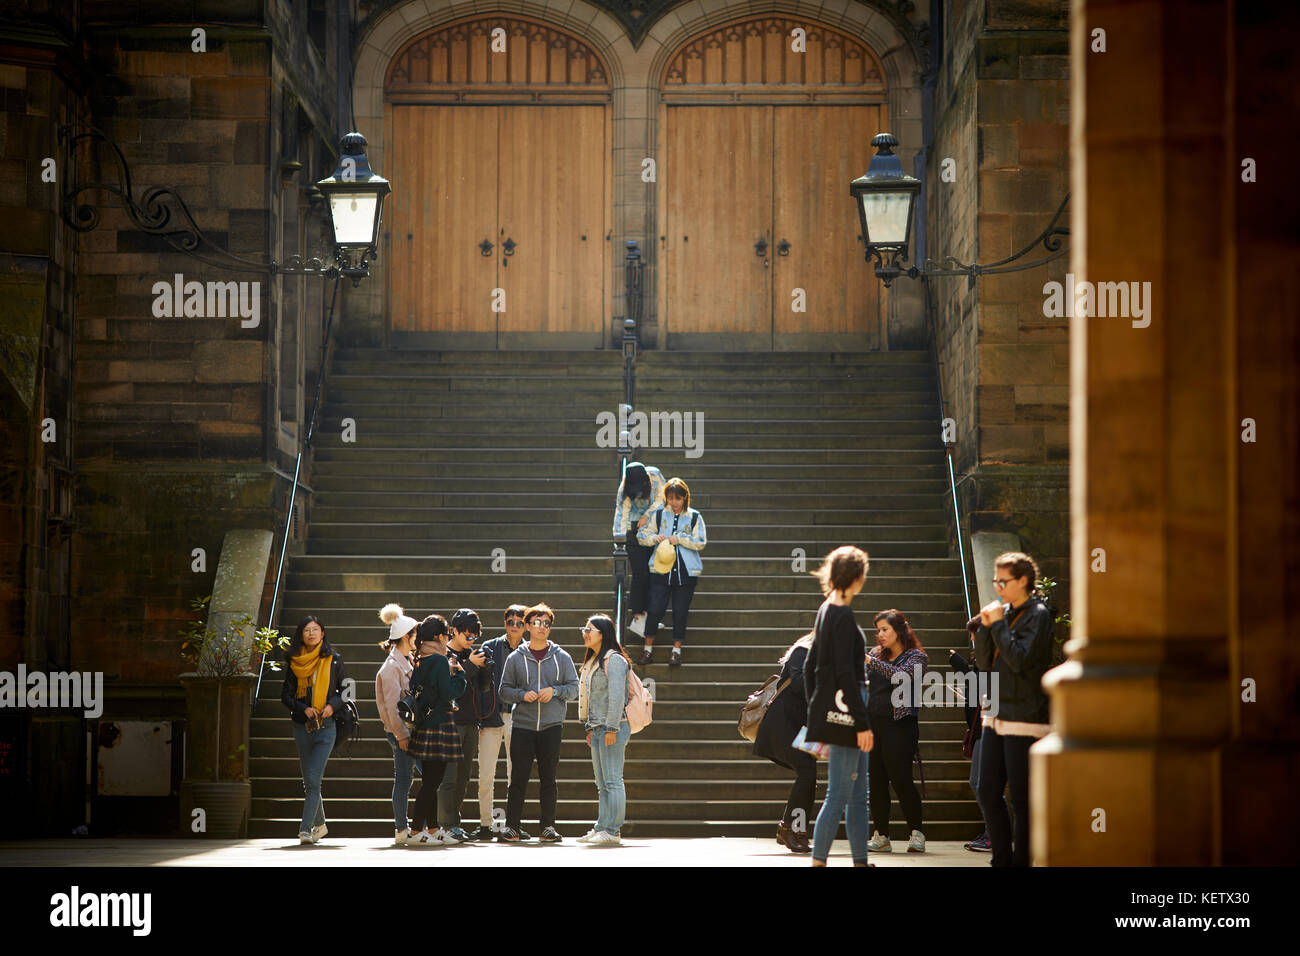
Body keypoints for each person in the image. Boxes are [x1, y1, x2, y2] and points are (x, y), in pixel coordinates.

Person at [974, 551, 1054, 867]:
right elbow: (983, 662)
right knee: (986, 789)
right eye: (996, 581)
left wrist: (997, 628)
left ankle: (1022, 861)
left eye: (1003, 582)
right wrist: (984, 627)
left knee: (1021, 799)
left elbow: (1019, 659)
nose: (998, 588)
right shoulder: (1002, 612)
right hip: (996, 712)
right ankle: (1002, 858)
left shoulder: (1039, 615)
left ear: (1023, 581)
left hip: (1024, 716)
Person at [803, 546, 874, 867]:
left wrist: (816, 709)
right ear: (857, 576)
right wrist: (862, 723)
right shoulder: (843, 614)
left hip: (837, 708)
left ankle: (860, 860)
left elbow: (809, 667)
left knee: (857, 794)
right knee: (840, 793)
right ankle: (819, 861)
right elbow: (846, 672)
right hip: (849, 709)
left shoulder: (826, 608)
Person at [497, 603, 579, 843]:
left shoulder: (562, 657)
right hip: (523, 725)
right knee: (518, 778)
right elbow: (504, 690)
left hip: (552, 725)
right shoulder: (515, 657)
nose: (542, 628)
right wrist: (523, 695)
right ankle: (512, 827)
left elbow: (574, 688)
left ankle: (547, 827)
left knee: (549, 778)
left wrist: (554, 691)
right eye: (536, 623)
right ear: (527, 626)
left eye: (546, 624)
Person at [864, 609, 929, 854]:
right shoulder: (874, 654)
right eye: (877, 630)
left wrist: (871, 662)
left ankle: (916, 833)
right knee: (877, 781)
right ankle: (881, 835)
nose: (879, 635)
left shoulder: (917, 657)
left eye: (884, 630)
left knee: (901, 779)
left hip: (900, 725)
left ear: (899, 630)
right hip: (874, 723)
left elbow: (900, 676)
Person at [280, 615, 347, 844]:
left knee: (313, 779)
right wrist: (303, 708)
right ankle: (320, 825)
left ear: (322, 633)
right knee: (309, 781)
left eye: (315, 629)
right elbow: (285, 696)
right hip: (302, 726)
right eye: (307, 630)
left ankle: (306, 829)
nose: (311, 633)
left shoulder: (334, 660)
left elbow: (347, 692)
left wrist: (331, 706)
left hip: (326, 727)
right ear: (302, 634)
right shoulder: (294, 661)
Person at [406, 614, 468, 846]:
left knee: (430, 781)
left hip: (425, 726)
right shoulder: (440, 660)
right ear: (440, 637)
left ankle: (432, 829)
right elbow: (449, 693)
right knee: (433, 783)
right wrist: (460, 675)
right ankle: (415, 831)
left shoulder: (421, 658)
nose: (448, 638)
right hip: (440, 724)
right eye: (447, 635)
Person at [753, 631, 817, 853]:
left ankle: (797, 830)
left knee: (809, 772)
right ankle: (787, 827)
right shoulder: (803, 651)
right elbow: (799, 682)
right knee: (807, 771)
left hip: (800, 725)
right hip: (783, 723)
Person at [636, 477, 707, 666]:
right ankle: (647, 650)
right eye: (670, 498)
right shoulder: (658, 515)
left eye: (678, 498)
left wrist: (680, 539)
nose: (674, 502)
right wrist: (654, 538)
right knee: (654, 609)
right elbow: (642, 535)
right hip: (660, 569)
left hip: (686, 572)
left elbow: (701, 542)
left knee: (680, 611)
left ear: (685, 498)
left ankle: (676, 651)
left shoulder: (694, 517)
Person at [436, 608, 493, 842]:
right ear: (455, 631)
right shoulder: (442, 654)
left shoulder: (473, 654)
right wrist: (468, 665)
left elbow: (482, 690)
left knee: (463, 777)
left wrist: (485, 671)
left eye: (474, 637)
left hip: (471, 723)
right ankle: (444, 825)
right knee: (448, 777)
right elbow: (448, 689)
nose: (471, 640)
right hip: (450, 723)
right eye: (467, 635)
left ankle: (454, 824)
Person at [576, 614, 632, 846]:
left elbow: (617, 697)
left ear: (603, 633)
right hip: (597, 726)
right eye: (584, 629)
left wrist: (611, 727)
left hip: (613, 726)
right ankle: (602, 826)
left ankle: (613, 829)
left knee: (613, 780)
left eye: (590, 629)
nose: (585, 633)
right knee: (602, 783)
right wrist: (591, 726)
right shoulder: (593, 660)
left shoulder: (614, 660)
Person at [474, 604, 527, 840]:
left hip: (520, 718)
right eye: (510, 621)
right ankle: (486, 824)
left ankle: (513, 825)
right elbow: (477, 685)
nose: (514, 626)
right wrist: (480, 716)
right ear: (504, 622)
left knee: (515, 775)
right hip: (491, 716)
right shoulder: (490, 647)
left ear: (525, 626)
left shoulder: (530, 650)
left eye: (519, 622)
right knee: (486, 773)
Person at [375, 603, 420, 845]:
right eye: (415, 635)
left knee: (405, 779)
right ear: (406, 637)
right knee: (406, 780)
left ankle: (405, 829)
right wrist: (402, 735)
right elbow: (391, 707)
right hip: (403, 733)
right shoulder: (392, 667)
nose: (418, 639)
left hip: (410, 731)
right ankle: (405, 828)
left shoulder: (407, 660)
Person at [950, 615, 991, 851]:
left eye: (974, 634)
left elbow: (985, 685)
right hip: (979, 729)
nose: (972, 639)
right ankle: (992, 832)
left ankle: (994, 833)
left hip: (988, 728)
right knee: (978, 782)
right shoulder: (983, 657)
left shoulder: (990, 657)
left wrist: (961, 666)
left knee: (982, 783)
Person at [612, 461, 665, 639]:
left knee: (654, 573)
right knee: (640, 573)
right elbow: (621, 512)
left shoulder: (655, 476)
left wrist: (647, 516)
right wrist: (619, 538)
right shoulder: (625, 487)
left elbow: (661, 499)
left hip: (654, 529)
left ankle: (650, 616)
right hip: (633, 531)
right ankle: (638, 614)